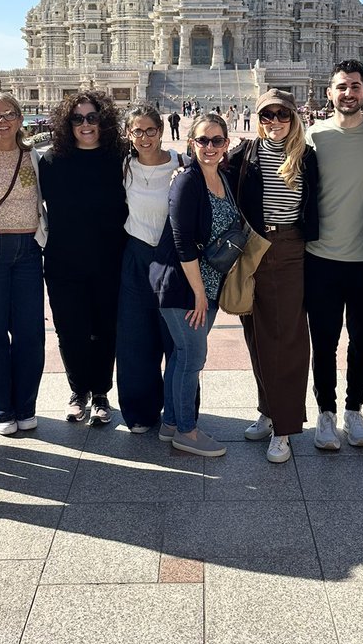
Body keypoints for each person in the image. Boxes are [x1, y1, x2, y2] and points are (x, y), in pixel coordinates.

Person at [304, 60, 363, 451]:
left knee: (361, 343)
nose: (348, 93)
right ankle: (325, 412)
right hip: (320, 258)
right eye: (341, 87)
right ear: (330, 93)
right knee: (323, 343)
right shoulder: (314, 136)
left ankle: (354, 410)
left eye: (355, 86)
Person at [227, 89, 319, 463]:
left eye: (282, 114)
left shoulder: (306, 157)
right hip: (252, 249)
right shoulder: (246, 153)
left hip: (288, 249)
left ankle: (285, 426)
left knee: (285, 339)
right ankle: (268, 409)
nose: (275, 122)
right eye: (267, 115)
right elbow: (212, 172)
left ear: (294, 118)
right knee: (256, 335)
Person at [150, 112, 236, 457]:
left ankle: (171, 422)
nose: (210, 146)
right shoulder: (187, 181)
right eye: (203, 140)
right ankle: (187, 431)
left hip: (209, 284)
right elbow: (182, 241)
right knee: (192, 357)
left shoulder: (225, 177)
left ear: (226, 144)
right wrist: (199, 293)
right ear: (191, 143)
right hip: (183, 285)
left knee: (182, 354)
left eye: (217, 140)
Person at [39, 91, 127, 426]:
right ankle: (78, 391)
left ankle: (101, 393)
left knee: (105, 329)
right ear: (67, 123)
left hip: (110, 259)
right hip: (64, 260)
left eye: (92, 117)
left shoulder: (120, 158)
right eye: (77, 118)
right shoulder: (51, 161)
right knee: (70, 329)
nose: (85, 125)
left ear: (104, 120)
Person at [0, 94, 47, 436]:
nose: (2, 121)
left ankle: (26, 406)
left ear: (20, 118)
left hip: (29, 249)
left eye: (9, 114)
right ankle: (1, 408)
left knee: (30, 331)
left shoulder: (32, 155)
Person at [116, 103, 184, 432]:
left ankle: (179, 410)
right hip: (137, 256)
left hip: (174, 258)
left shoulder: (181, 164)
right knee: (135, 337)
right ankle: (139, 411)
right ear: (128, 134)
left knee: (176, 337)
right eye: (137, 131)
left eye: (151, 131)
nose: (145, 138)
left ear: (161, 131)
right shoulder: (124, 167)